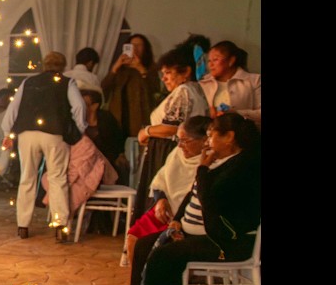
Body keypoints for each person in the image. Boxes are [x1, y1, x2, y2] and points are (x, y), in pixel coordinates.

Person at [139, 112, 261, 285]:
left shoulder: (245, 166)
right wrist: (177, 221)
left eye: (211, 135)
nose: (208, 141)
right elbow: (193, 194)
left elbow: (209, 200)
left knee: (166, 254)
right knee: (149, 244)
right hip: (213, 236)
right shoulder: (225, 161)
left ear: (229, 137)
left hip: (229, 243)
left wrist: (203, 168)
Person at [127, 115, 209, 285]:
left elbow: (195, 197)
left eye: (185, 141)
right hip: (166, 208)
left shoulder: (207, 164)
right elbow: (161, 179)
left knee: (157, 246)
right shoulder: (177, 154)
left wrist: (177, 219)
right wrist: (160, 199)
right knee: (133, 237)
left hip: (183, 217)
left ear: (203, 141)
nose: (180, 145)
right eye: (178, 140)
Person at [1, 52, 86, 242]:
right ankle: (60, 225)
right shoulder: (67, 82)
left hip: (27, 134)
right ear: (63, 66)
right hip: (55, 134)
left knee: (27, 178)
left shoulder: (28, 83)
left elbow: (13, 108)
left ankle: (23, 225)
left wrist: (7, 133)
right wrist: (79, 129)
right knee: (57, 178)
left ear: (44, 65)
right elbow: (79, 107)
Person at [132, 48, 209, 221]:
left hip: (169, 150)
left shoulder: (184, 91)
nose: (164, 78)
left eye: (168, 73)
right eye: (162, 73)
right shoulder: (194, 90)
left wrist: (146, 132)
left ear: (186, 72)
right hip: (171, 150)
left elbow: (172, 127)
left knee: (162, 205)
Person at [101, 33, 158, 136]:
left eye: (139, 45)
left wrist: (141, 69)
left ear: (145, 48)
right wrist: (115, 68)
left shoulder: (150, 67)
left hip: (140, 115)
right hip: (118, 115)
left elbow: (154, 91)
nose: (135, 48)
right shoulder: (121, 68)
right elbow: (104, 88)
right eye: (132, 45)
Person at [198, 41, 261, 126]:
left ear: (231, 61)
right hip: (211, 135)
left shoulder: (254, 80)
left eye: (215, 59)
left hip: (245, 135)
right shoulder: (203, 83)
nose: (211, 65)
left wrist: (235, 112)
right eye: (209, 61)